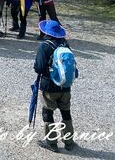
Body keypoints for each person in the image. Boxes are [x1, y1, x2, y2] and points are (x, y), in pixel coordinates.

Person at [34, 20, 78, 151]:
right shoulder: (65, 44)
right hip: (65, 86)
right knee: (66, 112)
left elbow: (39, 68)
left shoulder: (45, 46)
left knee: (48, 112)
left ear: (46, 32)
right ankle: (69, 142)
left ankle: (51, 143)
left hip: (49, 86)